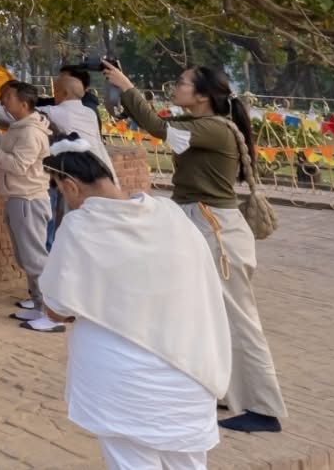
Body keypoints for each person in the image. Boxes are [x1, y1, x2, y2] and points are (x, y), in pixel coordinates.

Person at [102, 60, 286, 434]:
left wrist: (126, 85)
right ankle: (224, 389)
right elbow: (155, 124)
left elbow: (156, 126)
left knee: (238, 320)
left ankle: (263, 407)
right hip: (200, 224)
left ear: (202, 96)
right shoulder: (198, 126)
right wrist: (122, 97)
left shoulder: (213, 130)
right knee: (205, 314)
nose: (176, 86)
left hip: (215, 230)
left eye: (183, 83)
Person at [40, 141, 231, 469]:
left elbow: (56, 308)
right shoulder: (170, 214)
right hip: (190, 370)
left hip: (121, 380)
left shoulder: (80, 225)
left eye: (58, 189)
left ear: (70, 186)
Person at [0, 81, 58, 331]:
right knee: (26, 257)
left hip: (28, 199)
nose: (3, 102)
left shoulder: (31, 132)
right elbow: (11, 151)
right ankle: (37, 303)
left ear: (24, 103)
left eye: (7, 97)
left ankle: (50, 313)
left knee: (34, 258)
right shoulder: (21, 127)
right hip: (20, 198)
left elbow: (17, 165)